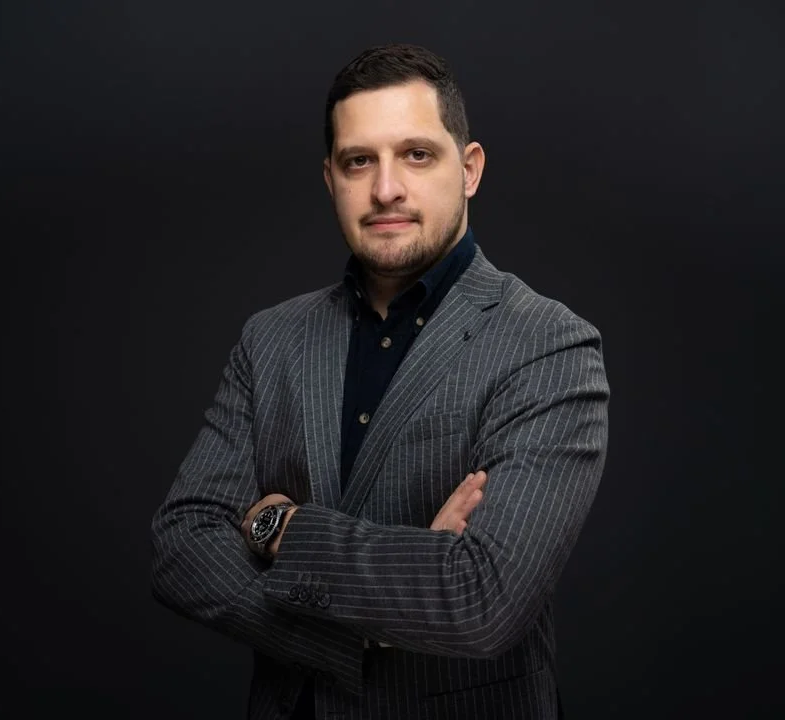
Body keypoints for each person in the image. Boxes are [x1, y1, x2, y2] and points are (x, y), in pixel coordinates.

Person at [151, 43, 609, 720]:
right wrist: (361, 630)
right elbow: (182, 545)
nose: (386, 188)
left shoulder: (549, 346)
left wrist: (280, 527)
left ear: (470, 169)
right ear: (331, 178)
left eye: (416, 154)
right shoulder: (270, 339)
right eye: (358, 160)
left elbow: (480, 600)